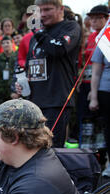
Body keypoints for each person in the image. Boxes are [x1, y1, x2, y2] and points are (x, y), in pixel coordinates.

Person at [16, 0, 81, 148]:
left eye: (47, 9)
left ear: (61, 9)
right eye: (39, 11)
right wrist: (22, 83)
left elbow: (57, 49)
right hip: (34, 102)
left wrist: (38, 31)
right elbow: (29, 66)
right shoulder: (34, 37)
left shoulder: (70, 27)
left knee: (50, 149)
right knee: (31, 148)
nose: (43, 14)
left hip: (56, 101)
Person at [77, 5, 109, 150]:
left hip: (98, 85)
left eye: (98, 18)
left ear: (107, 19)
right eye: (92, 18)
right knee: (90, 122)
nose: (94, 21)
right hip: (93, 85)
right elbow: (91, 65)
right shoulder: (93, 38)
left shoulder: (104, 36)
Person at [89, 30, 110, 177]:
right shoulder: (106, 37)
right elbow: (96, 72)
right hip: (107, 91)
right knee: (109, 130)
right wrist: (94, 96)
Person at [0, 35, 18, 112]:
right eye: (4, 43)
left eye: (8, 42)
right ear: (1, 45)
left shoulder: (16, 58)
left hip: (14, 94)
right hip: (0, 94)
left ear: (12, 44)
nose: (6, 45)